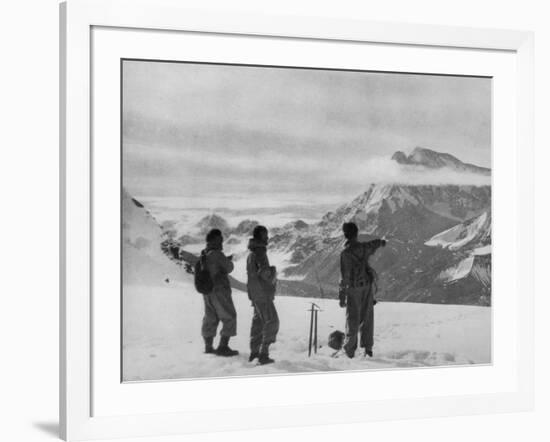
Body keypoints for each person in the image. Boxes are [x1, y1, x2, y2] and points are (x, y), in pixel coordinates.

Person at [339, 222, 386, 358]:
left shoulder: (345, 253)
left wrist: (342, 296)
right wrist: (382, 242)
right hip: (367, 287)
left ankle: (349, 351)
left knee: (353, 319)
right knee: (367, 317)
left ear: (345, 235)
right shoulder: (364, 248)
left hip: (354, 289)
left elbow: (344, 277)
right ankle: (368, 349)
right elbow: (374, 244)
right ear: (356, 233)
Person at [201, 228, 239, 357]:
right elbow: (229, 268)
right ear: (215, 240)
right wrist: (227, 260)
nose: (222, 243)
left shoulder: (204, 253)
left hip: (207, 292)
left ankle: (208, 347)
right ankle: (223, 347)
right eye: (220, 240)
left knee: (210, 318)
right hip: (219, 290)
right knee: (229, 316)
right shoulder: (217, 254)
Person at [246, 225, 279, 365]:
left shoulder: (251, 254)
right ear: (260, 237)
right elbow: (264, 273)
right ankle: (263, 353)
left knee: (258, 323)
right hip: (262, 294)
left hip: (254, 293)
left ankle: (254, 353)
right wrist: (273, 272)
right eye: (265, 235)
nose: (267, 238)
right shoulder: (260, 252)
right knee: (272, 321)